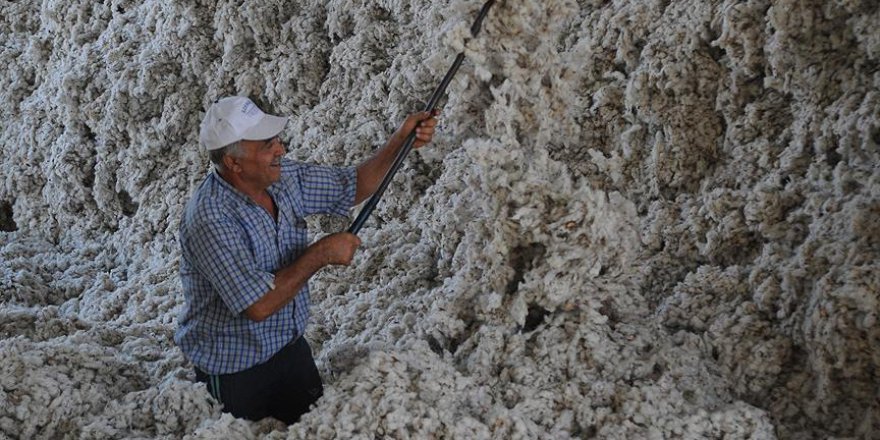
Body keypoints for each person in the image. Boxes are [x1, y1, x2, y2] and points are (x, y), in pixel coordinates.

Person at [174, 96, 437, 424]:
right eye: (268, 145)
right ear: (234, 162)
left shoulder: (280, 178)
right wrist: (321, 254)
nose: (280, 150)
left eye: (276, 141)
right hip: (234, 366)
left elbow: (350, 186)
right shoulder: (210, 218)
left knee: (316, 426)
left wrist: (402, 140)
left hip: (287, 346)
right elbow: (258, 305)